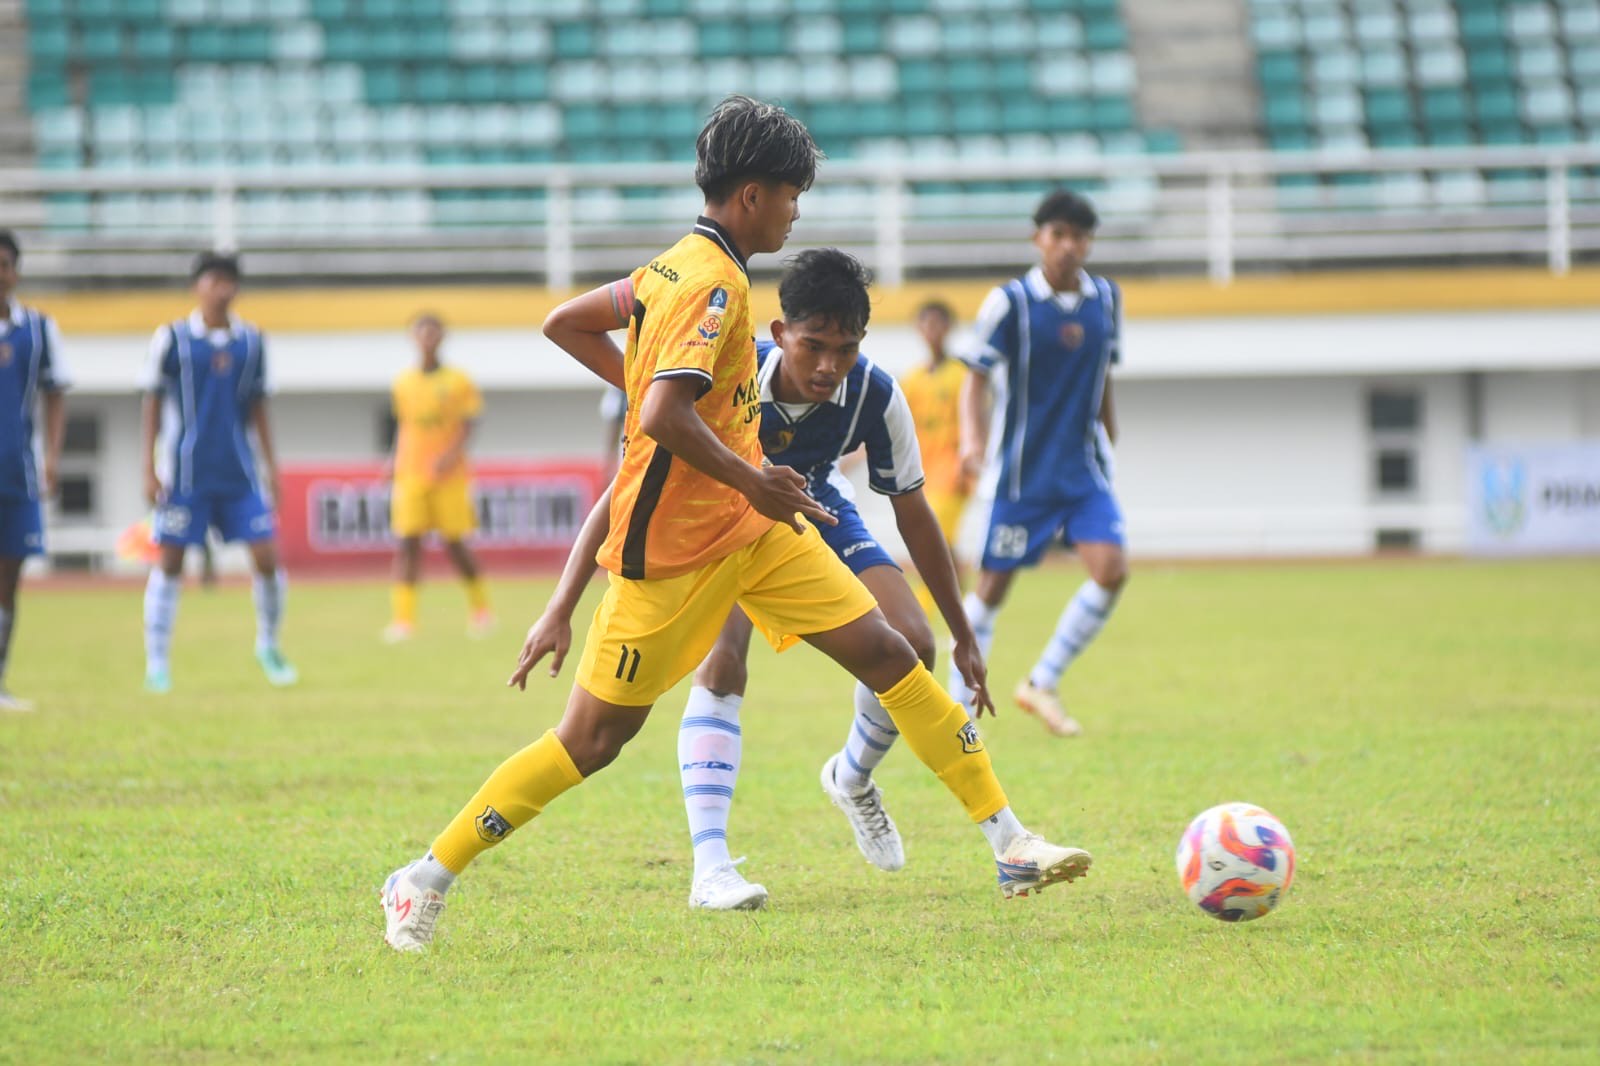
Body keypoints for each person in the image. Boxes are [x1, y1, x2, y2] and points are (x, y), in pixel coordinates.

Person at [379, 96, 1091, 953]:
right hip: (670, 556)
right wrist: (744, 469)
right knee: (591, 742)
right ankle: (424, 877)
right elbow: (663, 420)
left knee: (892, 654)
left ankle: (1009, 841)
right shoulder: (713, 283)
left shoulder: (672, 266)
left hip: (752, 533)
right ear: (752, 194)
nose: (797, 210)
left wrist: (700, 436)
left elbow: (570, 326)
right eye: (793, 194)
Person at [524, 249, 992, 910]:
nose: (829, 364)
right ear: (780, 335)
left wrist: (963, 632)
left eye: (845, 348)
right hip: (718, 519)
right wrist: (560, 604)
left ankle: (852, 777)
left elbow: (914, 514)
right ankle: (710, 865)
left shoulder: (874, 392)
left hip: (810, 510)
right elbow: (619, 493)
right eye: (814, 346)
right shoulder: (717, 374)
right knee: (722, 662)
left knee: (914, 645)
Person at [950, 189, 1127, 738]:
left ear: (1088, 242)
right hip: (1023, 475)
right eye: (1058, 235)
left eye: (1079, 236)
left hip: (1083, 472)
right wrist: (972, 440)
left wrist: (1109, 427)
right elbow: (975, 376)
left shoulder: (1106, 299)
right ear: (1039, 239)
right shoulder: (1010, 303)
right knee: (992, 591)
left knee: (1111, 571)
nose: (1069, 246)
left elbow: (1102, 372)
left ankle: (1041, 681)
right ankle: (957, 710)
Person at [140, 252, 297, 693]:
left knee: (266, 557)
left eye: (229, 281)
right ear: (197, 287)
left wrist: (272, 467)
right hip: (185, 475)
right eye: (213, 280)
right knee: (170, 562)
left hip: (239, 475)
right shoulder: (171, 338)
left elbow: (259, 407)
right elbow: (151, 401)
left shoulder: (252, 342)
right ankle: (157, 662)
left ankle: (268, 645)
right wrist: (149, 466)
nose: (221, 289)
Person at [383, 313, 493, 642]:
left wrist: (449, 455)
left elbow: (470, 422)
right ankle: (403, 621)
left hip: (449, 476)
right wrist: (393, 459)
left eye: (433, 331)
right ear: (412, 337)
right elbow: (406, 427)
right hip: (411, 474)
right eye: (421, 331)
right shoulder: (403, 382)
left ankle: (481, 612)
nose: (427, 337)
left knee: (456, 544)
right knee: (407, 544)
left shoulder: (459, 381)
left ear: (442, 336)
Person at [0, 230, 69, 713]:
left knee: (9, 580)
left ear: (15, 271)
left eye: (4, 263)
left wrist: (52, 456)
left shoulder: (40, 330)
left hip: (17, 474)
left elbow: (56, 392)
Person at [899, 299, 971, 554]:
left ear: (949, 327)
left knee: (935, 538)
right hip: (921, 473)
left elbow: (975, 420)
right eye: (925, 324)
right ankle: (954, 595)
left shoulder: (963, 375)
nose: (931, 330)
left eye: (937, 324)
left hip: (952, 470)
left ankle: (929, 595)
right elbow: (897, 425)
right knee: (940, 543)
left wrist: (968, 460)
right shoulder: (913, 378)